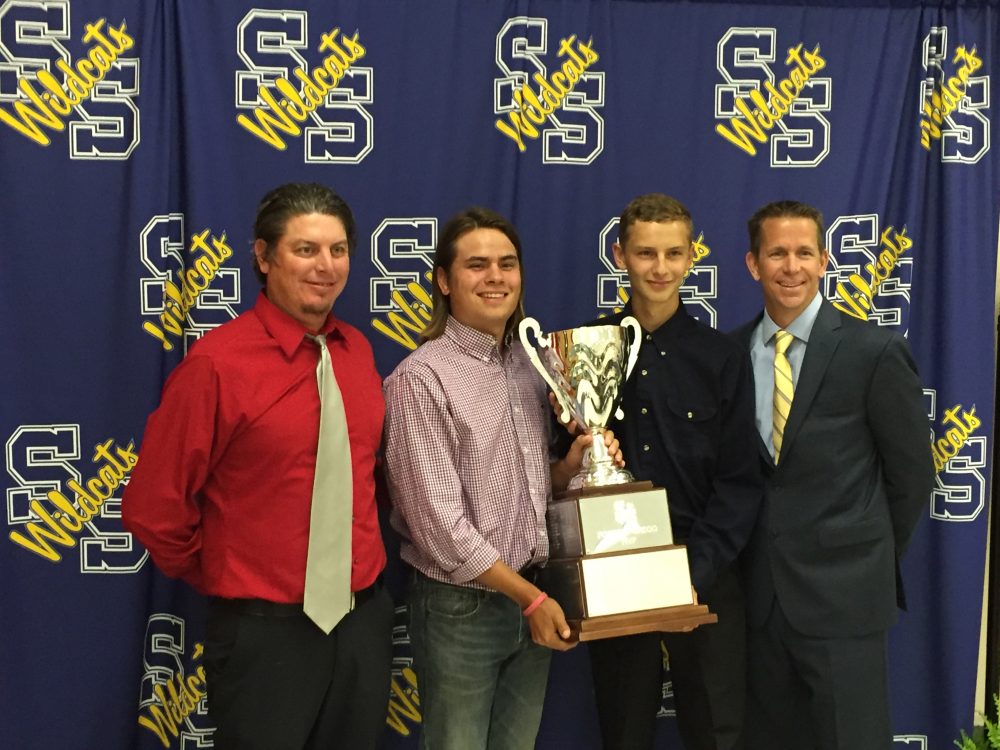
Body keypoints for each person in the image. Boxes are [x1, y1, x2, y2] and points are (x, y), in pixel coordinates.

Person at [122, 183, 394, 749]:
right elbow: (154, 506)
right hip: (264, 635)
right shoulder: (217, 365)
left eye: (338, 250)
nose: (325, 266)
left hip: (362, 623)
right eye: (305, 249)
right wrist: (227, 573)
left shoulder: (358, 353)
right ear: (264, 258)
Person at [382, 206, 619, 750]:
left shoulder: (533, 366)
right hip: (461, 607)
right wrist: (530, 600)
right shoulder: (421, 379)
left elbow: (538, 488)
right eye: (477, 265)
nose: (495, 277)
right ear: (444, 281)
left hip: (532, 592)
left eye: (507, 264)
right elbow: (439, 524)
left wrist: (578, 463)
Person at [733, 200, 934, 749]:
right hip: (759, 601)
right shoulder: (729, 354)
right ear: (753, 264)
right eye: (777, 253)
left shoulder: (874, 351)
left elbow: (912, 475)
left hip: (846, 600)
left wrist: (861, 552)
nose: (790, 266)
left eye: (804, 253)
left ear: (825, 261)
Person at [582, 193, 762, 750]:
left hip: (703, 567)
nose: (659, 268)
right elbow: (562, 470)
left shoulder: (722, 357)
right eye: (645, 253)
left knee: (715, 730)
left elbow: (739, 482)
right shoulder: (588, 350)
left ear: (691, 258)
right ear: (620, 256)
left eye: (673, 253)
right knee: (623, 728)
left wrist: (694, 570)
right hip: (616, 570)